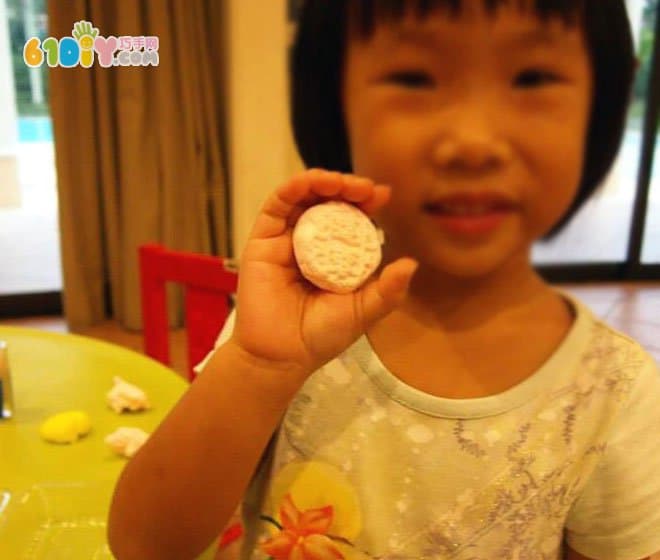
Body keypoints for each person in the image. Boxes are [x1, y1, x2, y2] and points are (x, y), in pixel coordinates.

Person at [108, 1, 660, 559]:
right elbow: (144, 545)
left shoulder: (615, 389)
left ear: (601, 108)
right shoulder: (295, 320)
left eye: (533, 77)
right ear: (333, 103)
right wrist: (259, 367)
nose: (473, 142)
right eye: (414, 78)